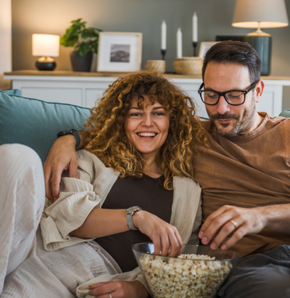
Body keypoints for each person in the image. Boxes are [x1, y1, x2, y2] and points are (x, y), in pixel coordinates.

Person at [44, 41, 290, 298]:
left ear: (258, 90)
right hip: (250, 266)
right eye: (211, 95)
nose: (221, 109)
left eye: (233, 95)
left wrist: (258, 216)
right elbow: (132, 129)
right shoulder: (191, 137)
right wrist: (70, 139)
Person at [0, 72, 206, 298]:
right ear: (121, 121)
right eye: (136, 113)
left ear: (172, 121)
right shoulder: (93, 158)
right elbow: (73, 221)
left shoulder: (189, 191)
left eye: (158, 113)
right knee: (20, 157)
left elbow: (185, 258)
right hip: (30, 244)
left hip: (88, 275)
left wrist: (143, 287)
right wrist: (138, 217)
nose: (148, 123)